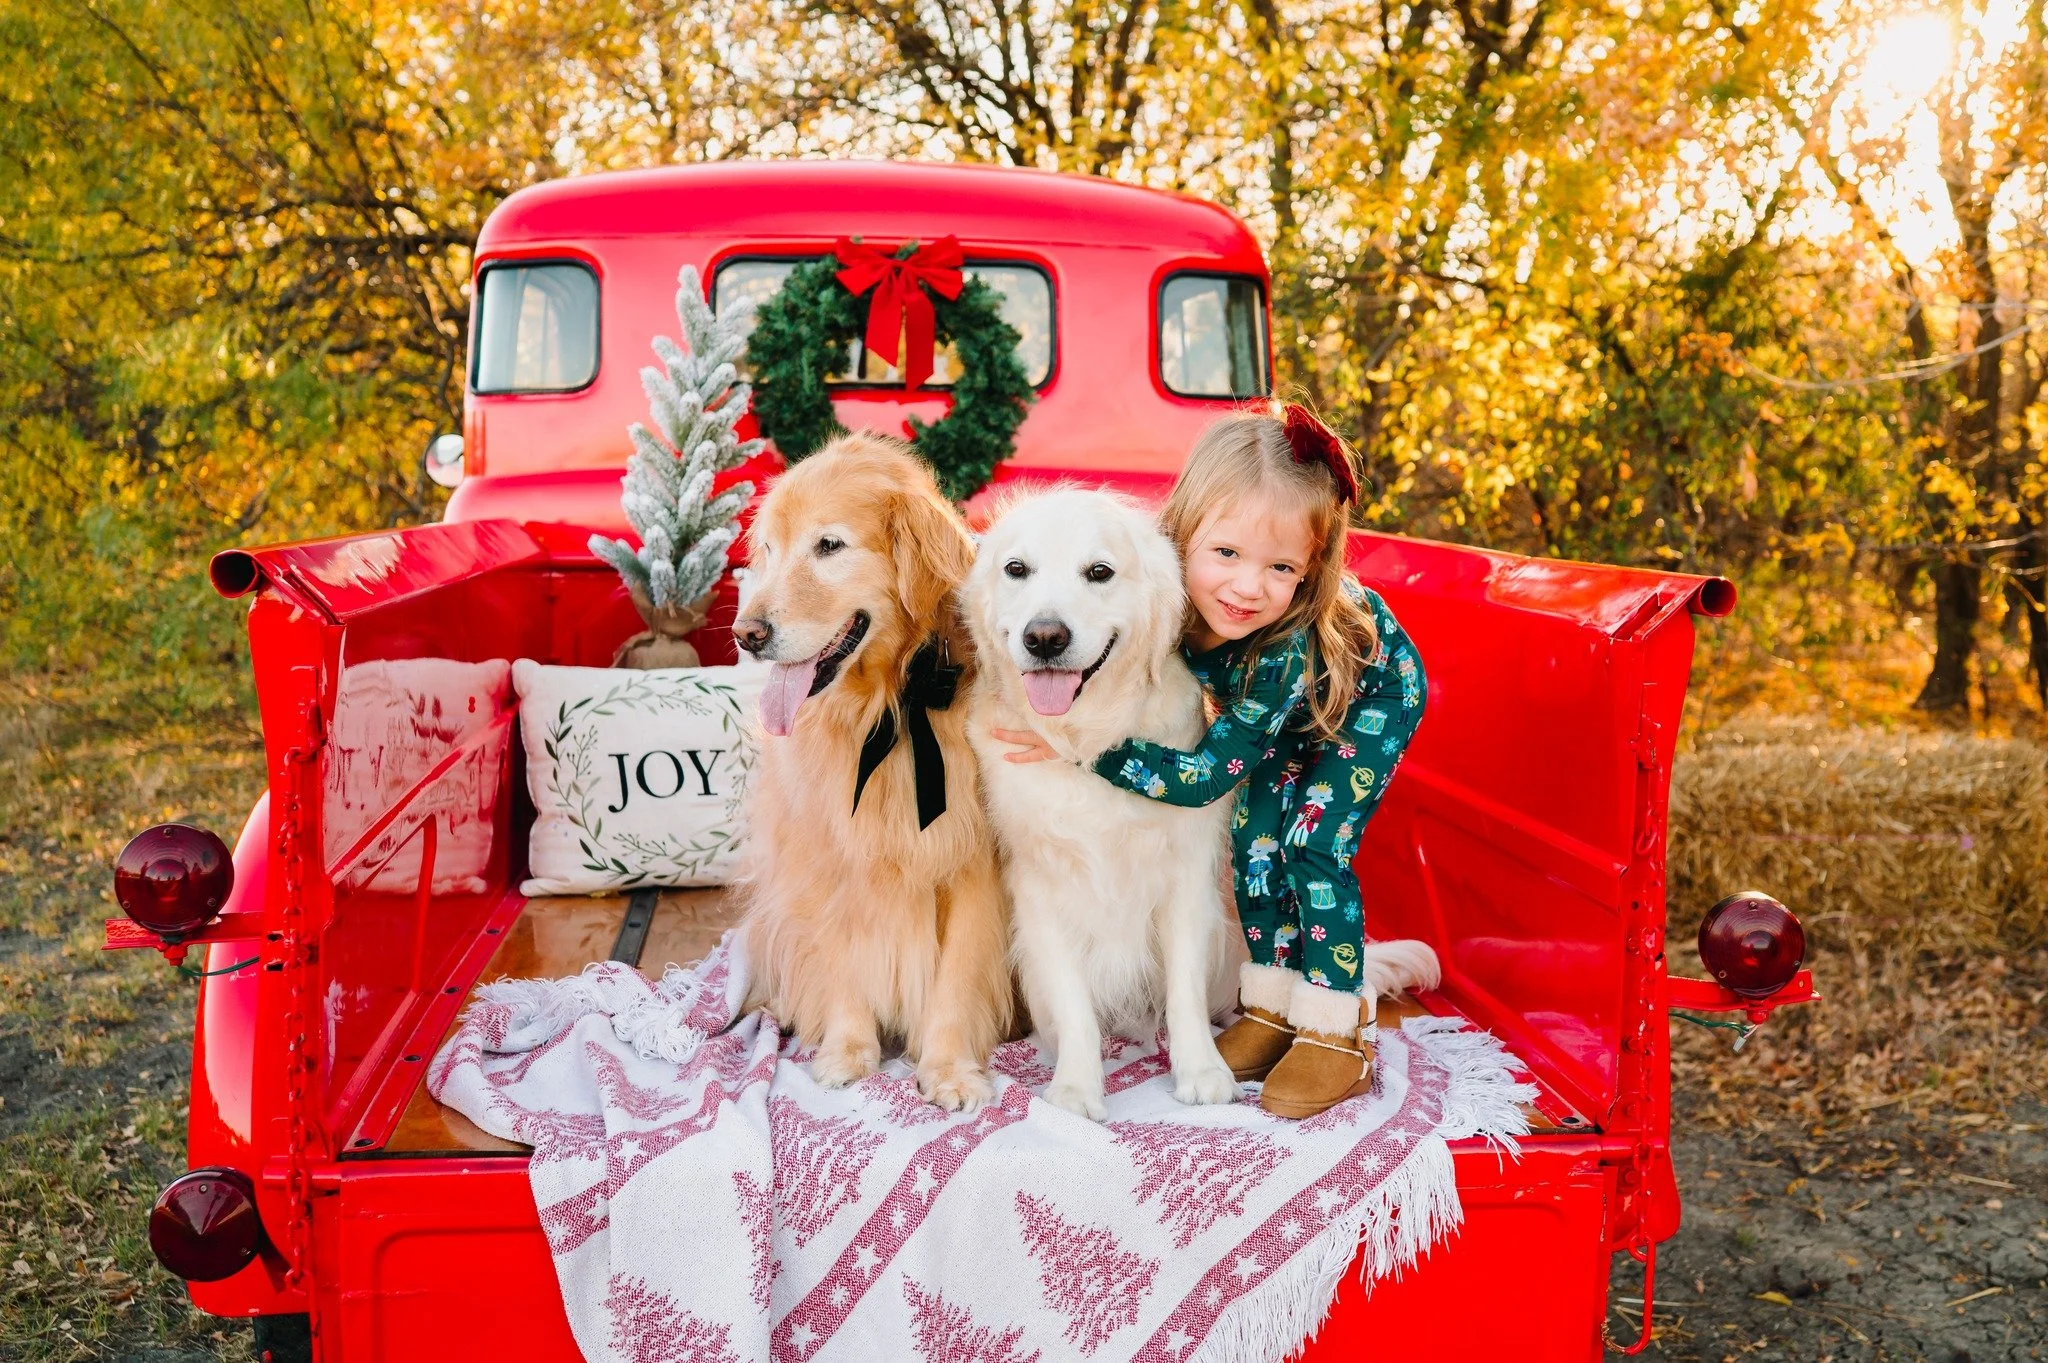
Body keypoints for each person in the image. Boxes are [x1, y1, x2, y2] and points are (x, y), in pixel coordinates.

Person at [993, 405, 1438, 1119]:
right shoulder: (1155, 580)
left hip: (1369, 700)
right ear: (1181, 538)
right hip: (1268, 722)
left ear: (1311, 569)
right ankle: (1268, 1008)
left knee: (1310, 845)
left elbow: (1202, 776)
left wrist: (1078, 750)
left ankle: (1334, 1031)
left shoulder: (1281, 648)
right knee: (1252, 849)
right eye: (1226, 554)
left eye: (1281, 566)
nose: (1246, 587)